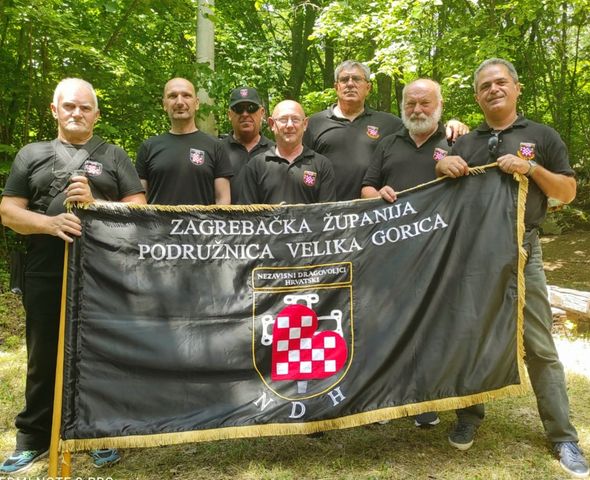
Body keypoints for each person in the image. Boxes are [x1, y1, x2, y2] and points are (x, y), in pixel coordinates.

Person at [435, 58, 588, 479]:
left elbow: (567, 192)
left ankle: (563, 437)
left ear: (517, 88)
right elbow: (440, 179)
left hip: (524, 251)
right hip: (473, 256)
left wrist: (531, 168)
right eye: (485, 86)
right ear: (477, 96)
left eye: (501, 82)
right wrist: (442, 165)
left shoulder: (542, 136)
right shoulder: (465, 141)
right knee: (472, 337)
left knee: (539, 345)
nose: (494, 89)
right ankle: (469, 416)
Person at [0, 78, 146, 474]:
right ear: (55, 110)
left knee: (101, 352)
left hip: (103, 271)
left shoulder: (113, 155)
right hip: (44, 268)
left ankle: (99, 432)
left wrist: (95, 205)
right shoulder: (32, 154)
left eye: (85, 107)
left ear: (96, 114)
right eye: (69, 106)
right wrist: (50, 225)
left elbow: (139, 209)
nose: (76, 113)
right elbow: (9, 212)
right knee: (43, 353)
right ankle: (34, 437)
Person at [361, 78, 463, 428]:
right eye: (410, 103)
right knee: (387, 324)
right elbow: (366, 187)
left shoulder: (455, 141)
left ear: (440, 105)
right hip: (392, 250)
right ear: (402, 106)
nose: (417, 110)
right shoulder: (389, 143)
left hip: (440, 251)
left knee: (431, 325)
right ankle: (385, 400)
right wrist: (378, 194)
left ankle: (426, 400)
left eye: (425, 103)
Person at [303, 60, 466, 201]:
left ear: (368, 87)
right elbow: (301, 164)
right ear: (336, 87)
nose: (350, 84)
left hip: (374, 215)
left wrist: (452, 124)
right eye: (344, 79)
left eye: (357, 79)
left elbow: (420, 126)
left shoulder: (390, 123)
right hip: (327, 210)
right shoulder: (315, 123)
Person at [136, 77, 232, 205]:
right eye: (173, 96)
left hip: (201, 219)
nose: (180, 102)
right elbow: (140, 202)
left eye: (186, 95)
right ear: (164, 104)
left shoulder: (215, 146)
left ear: (196, 103)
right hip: (158, 219)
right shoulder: (148, 147)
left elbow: (223, 199)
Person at [240, 100, 336, 204]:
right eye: (283, 119)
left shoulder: (322, 165)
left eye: (295, 119)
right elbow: (248, 212)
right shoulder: (255, 166)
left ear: (305, 124)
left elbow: (327, 212)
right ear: (272, 124)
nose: (289, 125)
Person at [220, 86, 274, 203]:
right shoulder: (217, 151)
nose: (245, 114)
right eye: (239, 109)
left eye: (251, 108)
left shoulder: (275, 152)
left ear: (262, 113)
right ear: (229, 114)